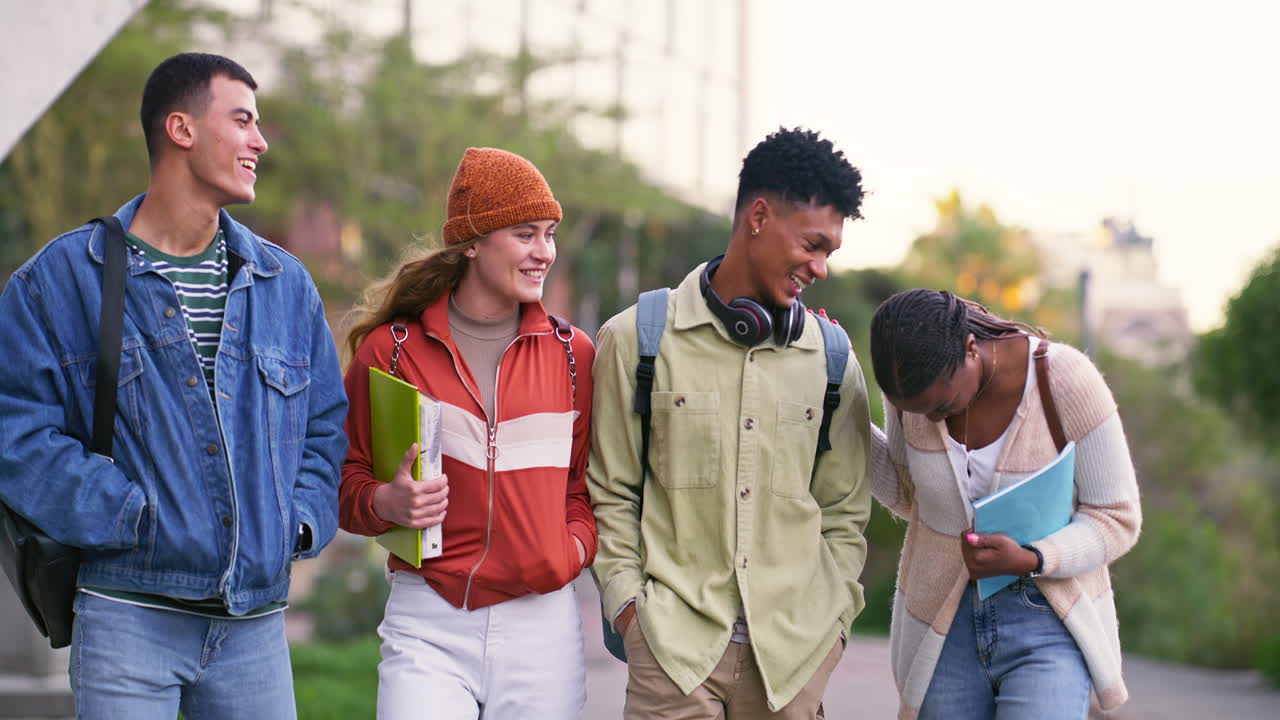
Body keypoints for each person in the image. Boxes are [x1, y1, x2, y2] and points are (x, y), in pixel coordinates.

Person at [0, 53, 348, 718]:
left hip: (255, 631)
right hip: (127, 617)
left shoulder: (285, 285)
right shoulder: (62, 279)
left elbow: (323, 428)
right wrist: (125, 513)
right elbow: (13, 428)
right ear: (182, 129)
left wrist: (295, 524)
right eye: (242, 120)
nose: (260, 141)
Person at [588, 127, 871, 718]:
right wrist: (630, 613)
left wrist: (833, 628)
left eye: (830, 253)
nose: (820, 268)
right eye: (813, 244)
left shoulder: (834, 363)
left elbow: (844, 513)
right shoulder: (635, 340)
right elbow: (611, 493)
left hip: (792, 668)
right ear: (759, 216)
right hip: (673, 658)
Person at [338, 147, 597, 719]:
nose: (544, 252)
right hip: (427, 617)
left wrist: (567, 553)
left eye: (550, 234)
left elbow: (582, 492)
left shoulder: (575, 357)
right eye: (526, 234)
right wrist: (387, 500)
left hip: (542, 624)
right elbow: (343, 481)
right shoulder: (393, 351)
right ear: (473, 242)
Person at [867, 289, 1142, 720]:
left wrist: (1033, 557)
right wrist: (841, 418)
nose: (933, 419)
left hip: (1048, 619)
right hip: (942, 628)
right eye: (917, 411)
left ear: (971, 348)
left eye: (940, 405)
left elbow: (1118, 518)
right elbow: (910, 497)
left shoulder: (1064, 380)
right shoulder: (912, 389)